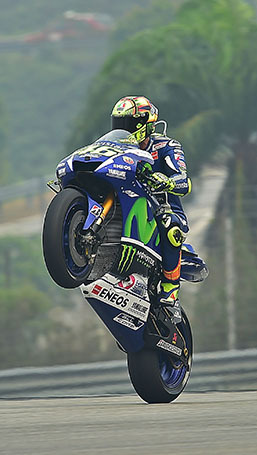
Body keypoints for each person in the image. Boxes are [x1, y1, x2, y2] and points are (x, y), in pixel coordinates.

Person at [110, 96, 191, 321]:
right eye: (119, 125)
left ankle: (170, 290)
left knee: (170, 225)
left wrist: (167, 181)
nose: (123, 130)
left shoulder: (166, 146)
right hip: (128, 204)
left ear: (145, 126)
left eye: (129, 125)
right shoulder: (115, 147)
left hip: (160, 208)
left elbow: (184, 181)